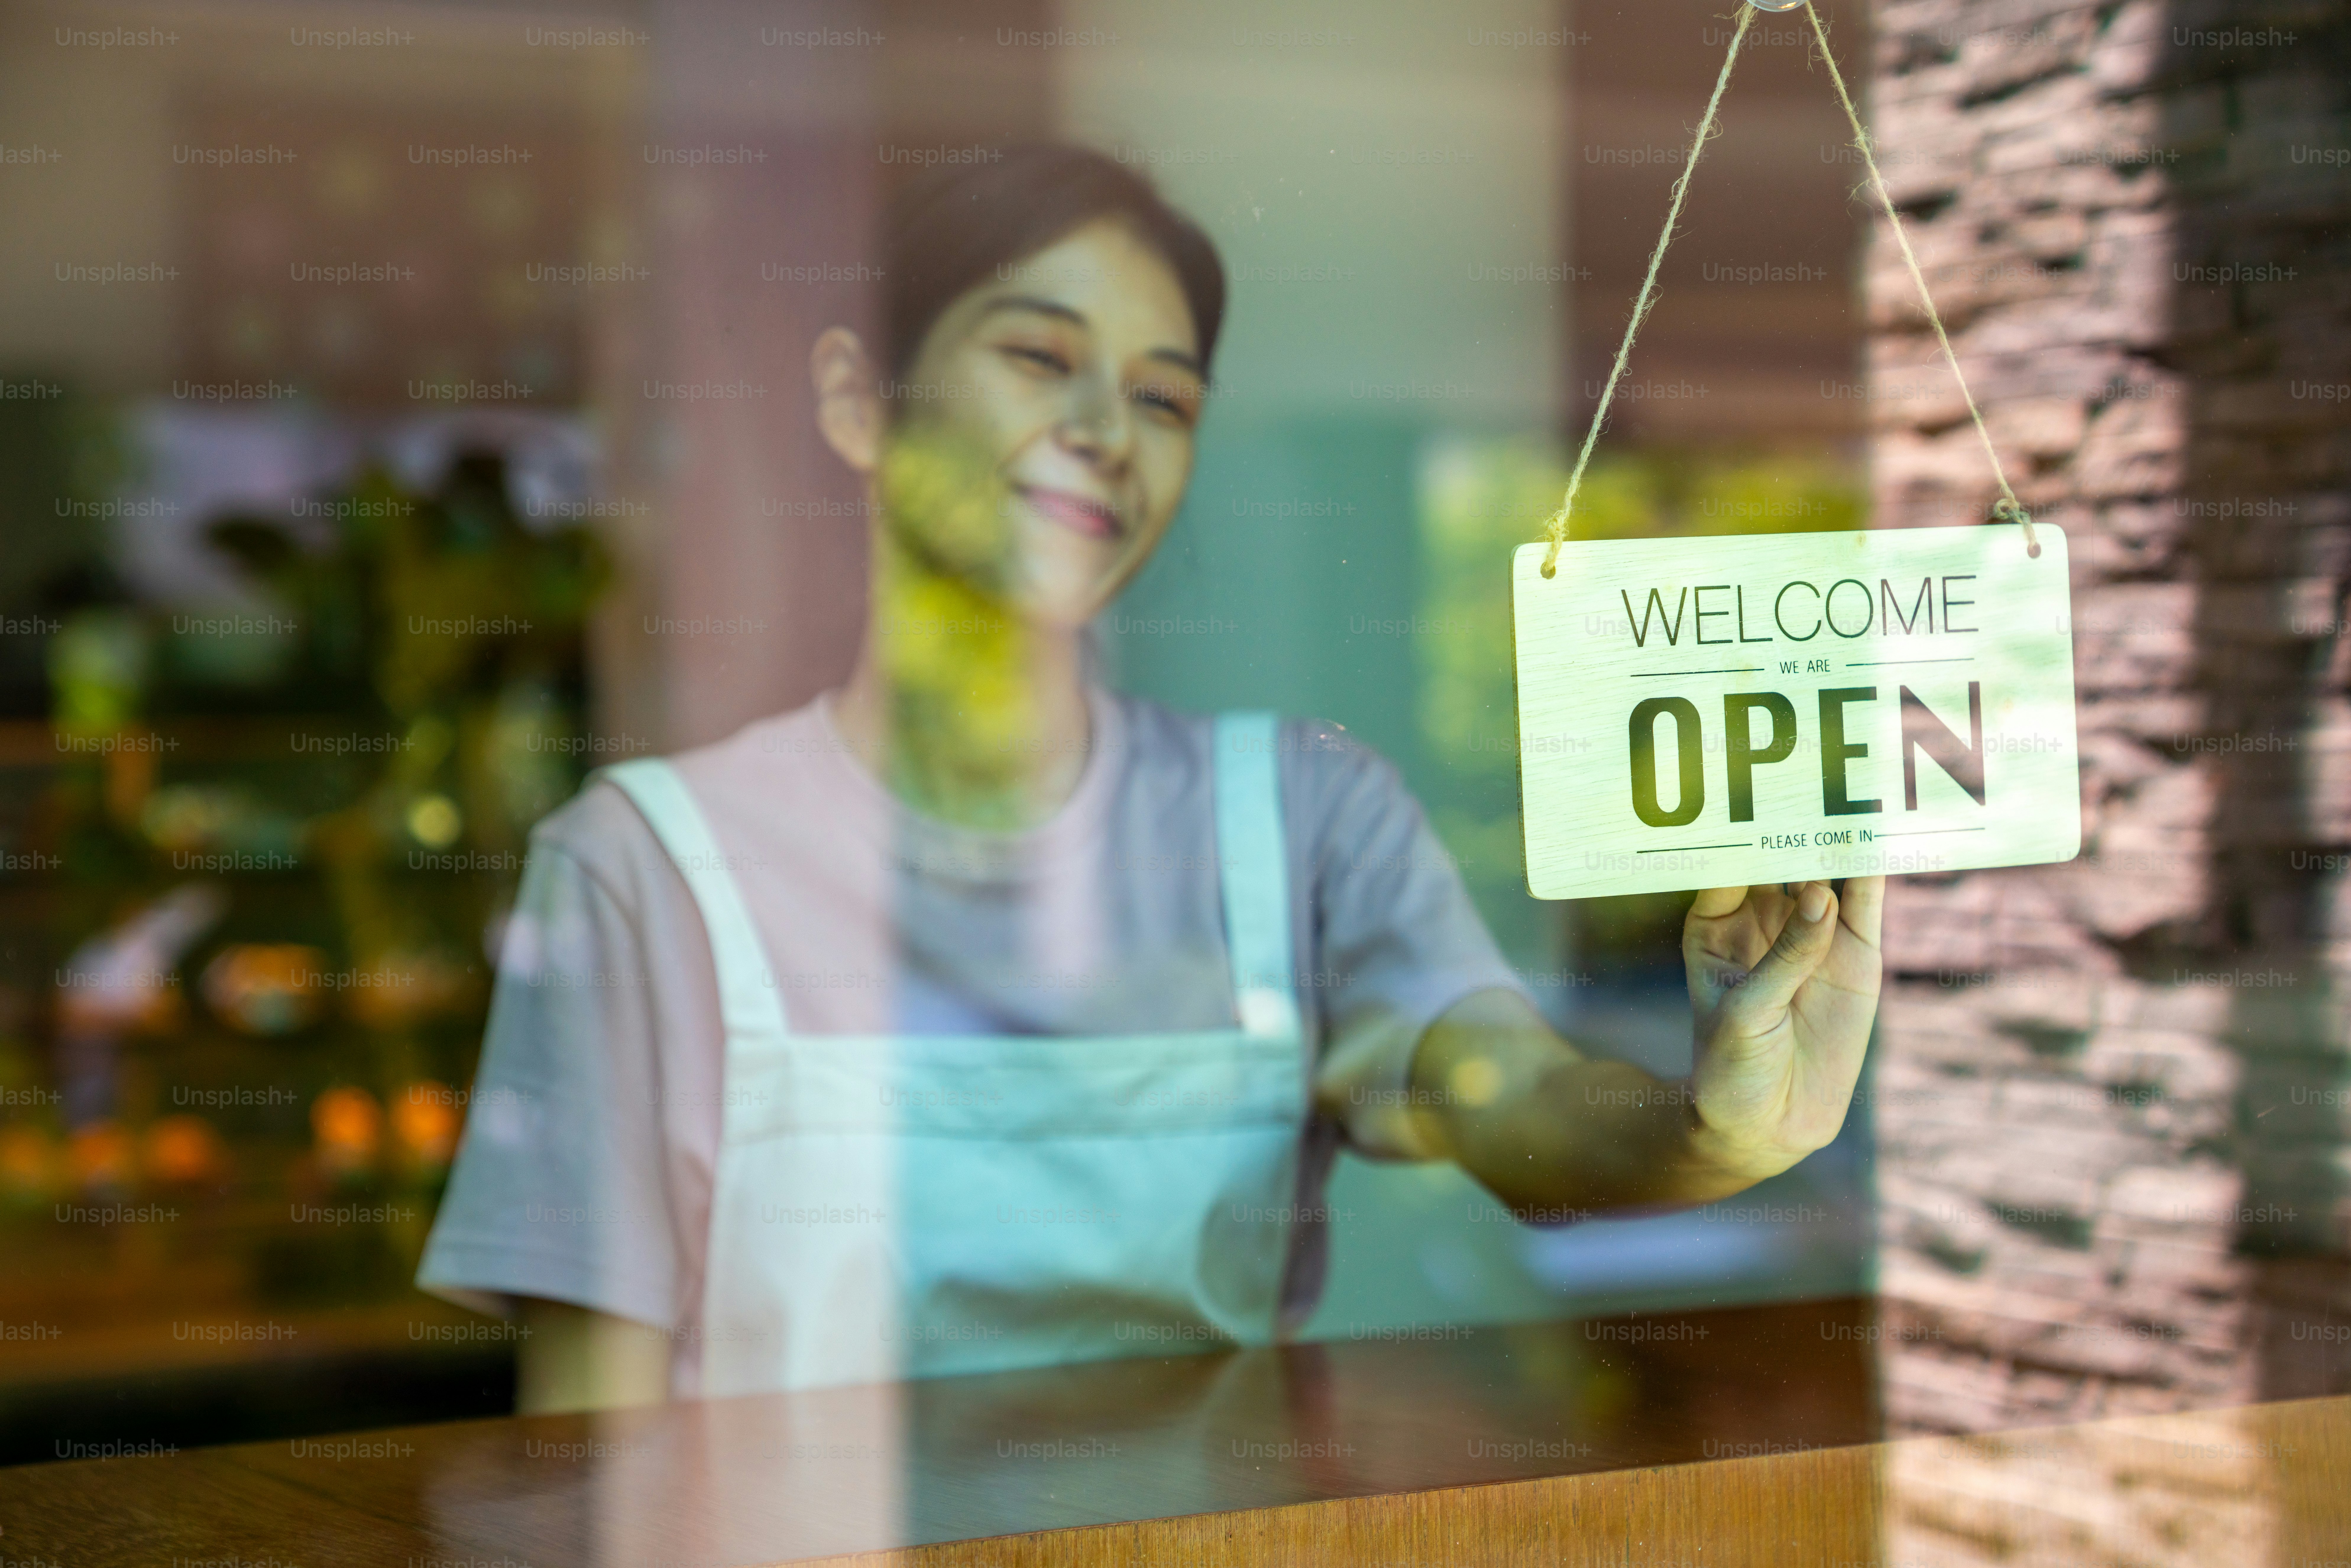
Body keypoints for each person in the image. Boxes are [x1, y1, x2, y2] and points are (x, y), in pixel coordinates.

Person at [417, 145, 1885, 1413]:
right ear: (861, 401)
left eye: (1163, 399)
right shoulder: (644, 868)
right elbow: (592, 1449)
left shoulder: (1303, 820)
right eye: (1037, 357)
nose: (1104, 434)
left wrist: (1715, 1125)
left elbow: (1507, 1100)